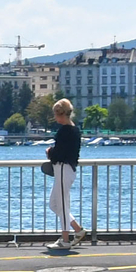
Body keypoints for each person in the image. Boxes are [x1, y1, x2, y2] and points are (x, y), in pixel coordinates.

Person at [43, 100, 82, 254]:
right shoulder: (75, 130)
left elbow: (59, 154)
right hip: (68, 169)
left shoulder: (64, 131)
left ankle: (65, 239)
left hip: (63, 169)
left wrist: (49, 152)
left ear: (60, 114)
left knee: (62, 204)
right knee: (55, 204)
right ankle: (77, 229)